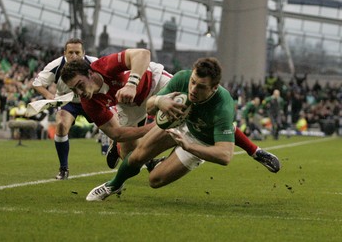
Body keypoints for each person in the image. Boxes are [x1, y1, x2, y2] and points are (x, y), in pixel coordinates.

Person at [85, 57, 281, 201]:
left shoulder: (223, 105)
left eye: (201, 87)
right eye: (193, 82)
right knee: (137, 157)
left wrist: (188, 146)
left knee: (154, 180)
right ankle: (114, 185)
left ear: (214, 88)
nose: (193, 89)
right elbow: (149, 106)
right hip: (179, 123)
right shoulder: (182, 78)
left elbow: (225, 156)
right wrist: (160, 101)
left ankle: (254, 151)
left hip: (199, 141)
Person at [60, 48, 171, 162]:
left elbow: (143, 53)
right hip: (129, 105)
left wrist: (131, 84)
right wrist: (153, 128)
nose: (79, 92)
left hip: (153, 82)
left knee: (184, 104)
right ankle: (121, 150)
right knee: (130, 157)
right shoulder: (88, 103)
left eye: (80, 85)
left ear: (90, 73)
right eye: (73, 89)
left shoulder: (104, 66)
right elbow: (116, 133)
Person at [33, 38, 103, 180]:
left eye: (77, 52)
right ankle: (63, 168)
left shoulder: (95, 63)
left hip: (91, 99)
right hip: (68, 101)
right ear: (64, 52)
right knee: (60, 125)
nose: (74, 56)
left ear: (83, 53)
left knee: (115, 131)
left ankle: (142, 159)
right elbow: (37, 83)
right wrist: (48, 95)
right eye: (70, 52)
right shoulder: (56, 65)